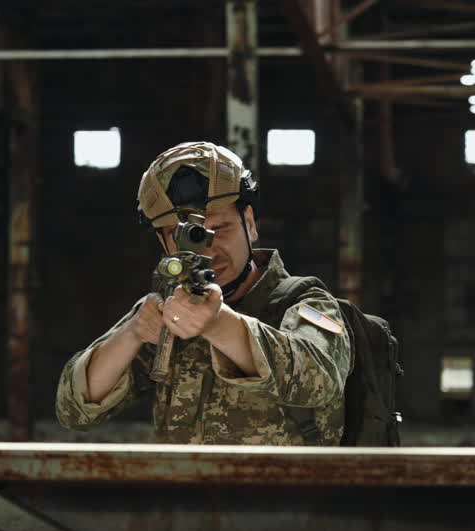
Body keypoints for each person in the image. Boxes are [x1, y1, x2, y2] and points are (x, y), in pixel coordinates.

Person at [55, 141, 352, 445]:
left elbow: (321, 379)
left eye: (220, 229)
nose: (208, 249)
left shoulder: (307, 302)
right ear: (164, 244)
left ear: (249, 224)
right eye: (187, 237)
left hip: (281, 489)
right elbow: (73, 409)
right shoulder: (170, 307)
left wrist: (218, 324)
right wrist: (133, 333)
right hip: (186, 488)